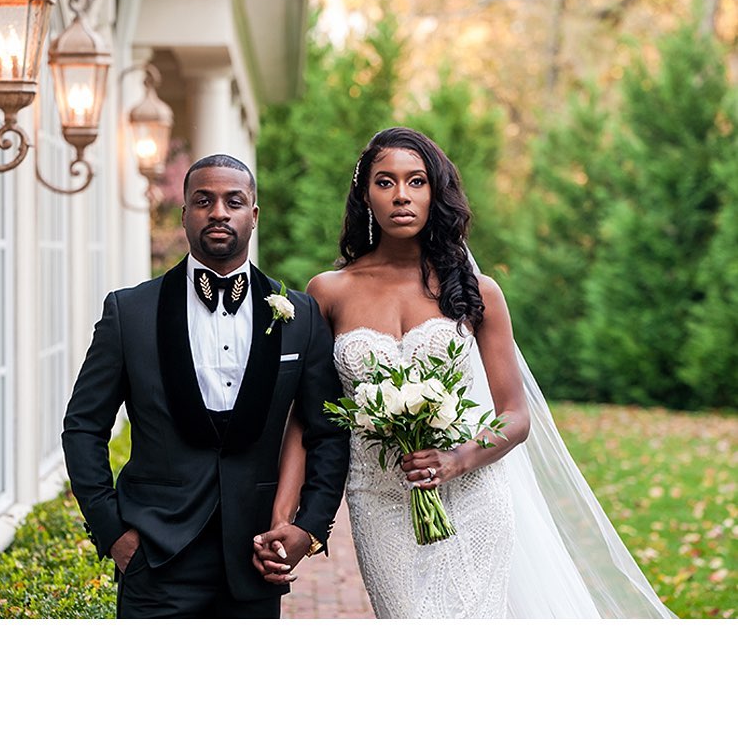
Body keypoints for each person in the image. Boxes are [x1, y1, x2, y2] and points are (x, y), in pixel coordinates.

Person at [254, 127, 674, 619]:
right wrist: (285, 517)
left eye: (416, 181)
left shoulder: (478, 291)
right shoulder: (329, 292)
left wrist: (458, 459)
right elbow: (307, 419)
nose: (402, 196)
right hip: (380, 500)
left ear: (435, 192)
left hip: (473, 494)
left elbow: (515, 416)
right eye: (385, 183)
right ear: (364, 195)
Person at [62, 154, 349, 618]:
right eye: (203, 200)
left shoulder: (301, 317)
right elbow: (82, 427)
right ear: (185, 214)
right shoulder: (129, 312)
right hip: (155, 556)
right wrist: (110, 530)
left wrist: (309, 528)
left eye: (233, 201)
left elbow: (328, 430)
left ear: (253, 215)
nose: (218, 212)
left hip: (256, 557)